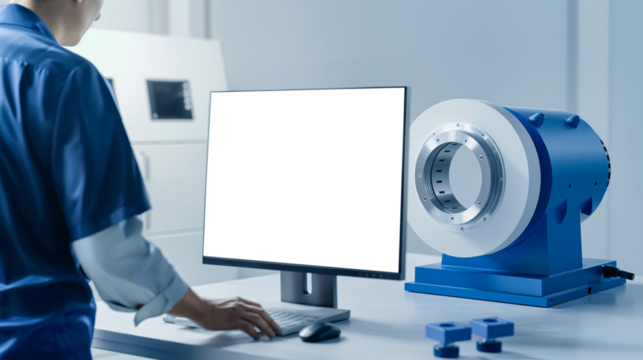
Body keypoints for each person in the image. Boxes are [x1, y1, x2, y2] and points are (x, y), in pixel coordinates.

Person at [0, 1, 279, 358]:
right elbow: (108, 251)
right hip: (35, 342)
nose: (99, 14)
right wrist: (204, 311)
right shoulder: (67, 76)